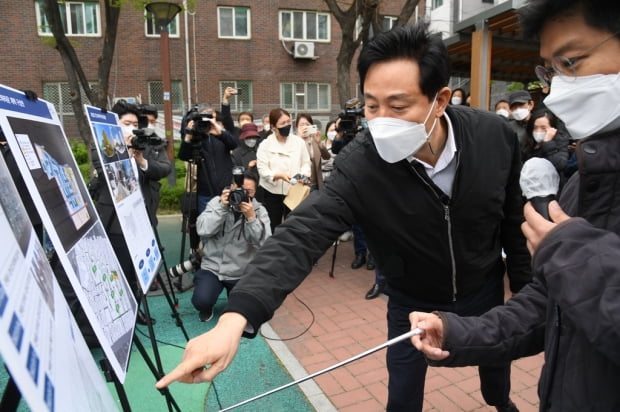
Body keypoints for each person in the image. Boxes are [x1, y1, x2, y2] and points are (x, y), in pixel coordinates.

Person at [155, 23, 532, 412]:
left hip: (483, 288)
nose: (381, 120)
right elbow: (301, 235)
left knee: (495, 371)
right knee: (402, 394)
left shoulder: (494, 137)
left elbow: (512, 216)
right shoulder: (362, 163)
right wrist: (235, 318)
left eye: (398, 106)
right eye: (371, 106)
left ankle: (500, 402)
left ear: (440, 99)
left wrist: (523, 283)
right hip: (411, 297)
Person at [409, 1, 620, 411]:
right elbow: (549, 304)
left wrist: (569, 252)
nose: (559, 87)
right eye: (551, 69)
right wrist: (456, 333)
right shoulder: (587, 183)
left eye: (572, 61)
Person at [191, 171, 271, 322]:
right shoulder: (217, 202)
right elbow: (202, 229)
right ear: (232, 186)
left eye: (248, 192)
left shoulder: (259, 211)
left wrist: (252, 219)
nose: (242, 194)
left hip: (240, 271)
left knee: (244, 309)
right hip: (213, 267)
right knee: (201, 300)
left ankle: (236, 298)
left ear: (254, 193)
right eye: (239, 189)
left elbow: (266, 244)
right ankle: (206, 306)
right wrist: (222, 208)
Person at [256, 108, 311, 233]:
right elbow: (262, 169)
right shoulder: (265, 145)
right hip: (272, 192)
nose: (287, 125)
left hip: (294, 191)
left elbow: (306, 163)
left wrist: (303, 176)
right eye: (282, 123)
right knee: (272, 225)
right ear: (273, 127)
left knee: (293, 226)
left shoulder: (298, 142)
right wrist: (277, 175)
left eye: (288, 122)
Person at [521, 108, 569, 180]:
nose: (538, 131)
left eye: (543, 128)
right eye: (535, 127)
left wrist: (548, 143)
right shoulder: (527, 143)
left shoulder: (559, 142)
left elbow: (559, 165)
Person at [295, 113, 331, 190]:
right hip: (301, 182)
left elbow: (327, 157)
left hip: (315, 182)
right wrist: (300, 138)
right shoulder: (294, 141)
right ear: (297, 127)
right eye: (301, 125)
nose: (305, 127)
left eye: (307, 124)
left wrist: (319, 143)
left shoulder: (314, 140)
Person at [231, 122, 264, 202]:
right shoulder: (236, 153)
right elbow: (234, 175)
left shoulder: (262, 150)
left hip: (262, 191)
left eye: (254, 137)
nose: (252, 140)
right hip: (245, 190)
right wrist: (248, 168)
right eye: (249, 137)